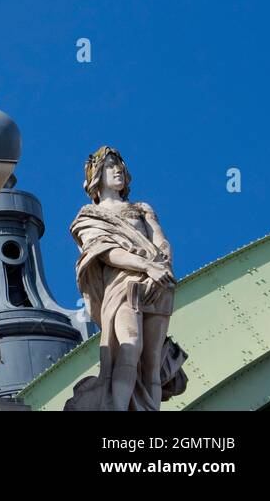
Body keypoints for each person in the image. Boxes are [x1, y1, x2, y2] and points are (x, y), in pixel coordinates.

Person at [67, 146, 186, 410]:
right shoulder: (89, 216)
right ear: (97, 175)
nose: (118, 169)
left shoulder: (141, 209)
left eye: (119, 164)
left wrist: (162, 263)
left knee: (152, 362)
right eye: (110, 165)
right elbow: (107, 251)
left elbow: (160, 239)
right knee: (129, 347)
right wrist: (147, 265)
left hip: (158, 284)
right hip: (123, 286)